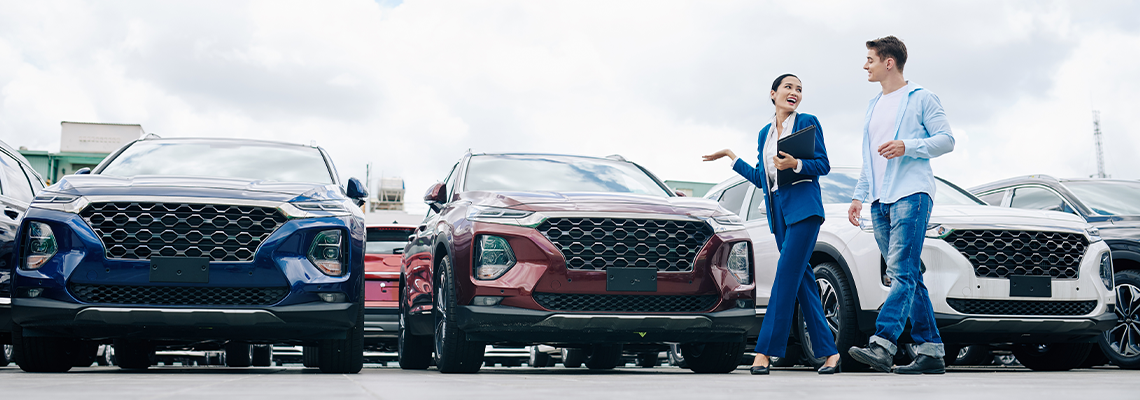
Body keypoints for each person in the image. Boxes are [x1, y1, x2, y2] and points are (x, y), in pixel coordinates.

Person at [703, 73, 840, 375]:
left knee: (785, 277)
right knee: (803, 284)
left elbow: (824, 164)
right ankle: (830, 354)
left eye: (799, 89)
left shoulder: (807, 121)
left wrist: (796, 164)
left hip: (804, 210)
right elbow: (763, 180)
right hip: (779, 215)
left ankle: (765, 351)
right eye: (788, 87)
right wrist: (731, 156)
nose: (794, 93)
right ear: (773, 93)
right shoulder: (765, 133)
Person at [846, 36, 955, 374]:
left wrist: (907, 146)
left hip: (912, 194)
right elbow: (869, 159)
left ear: (888, 62)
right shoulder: (873, 105)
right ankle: (931, 351)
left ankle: (883, 344)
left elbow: (946, 140)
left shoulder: (920, 98)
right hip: (880, 201)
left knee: (902, 272)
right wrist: (858, 196)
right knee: (907, 274)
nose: (866, 65)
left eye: (870, 59)